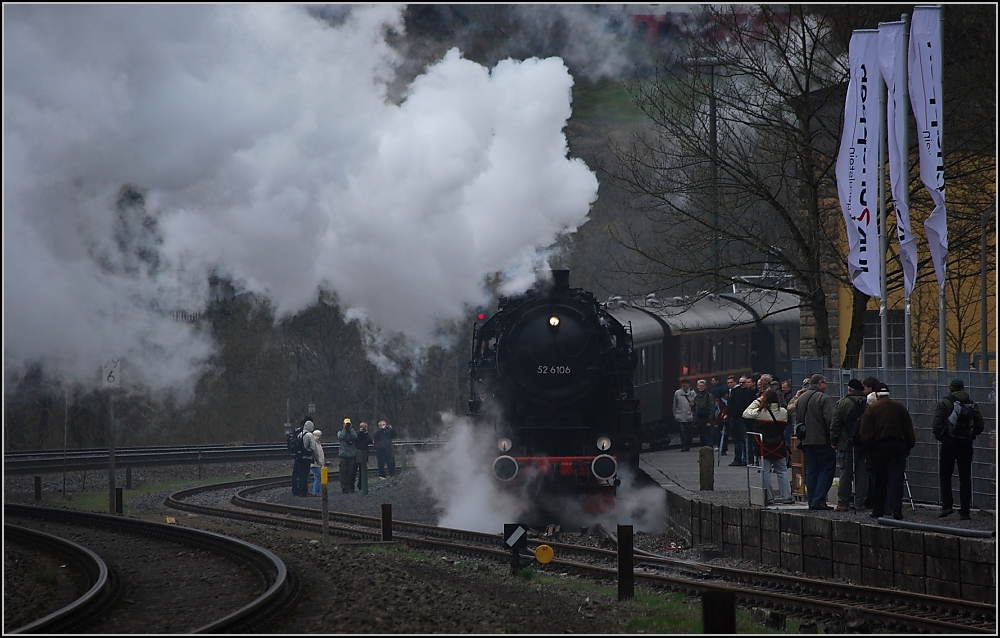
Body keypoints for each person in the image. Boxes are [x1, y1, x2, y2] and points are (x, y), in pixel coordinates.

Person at [931, 378, 985, 520]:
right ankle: (965, 511)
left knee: (945, 475)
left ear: (950, 388)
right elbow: (980, 425)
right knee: (965, 477)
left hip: (948, 444)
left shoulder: (944, 403)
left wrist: (943, 437)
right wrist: (971, 436)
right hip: (966, 445)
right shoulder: (972, 404)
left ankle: (947, 505)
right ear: (963, 387)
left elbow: (936, 424)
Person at [860, 383, 915, 520]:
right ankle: (897, 510)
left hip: (879, 447)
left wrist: (869, 447)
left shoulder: (872, 409)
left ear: (877, 394)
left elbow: (865, 432)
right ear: (889, 393)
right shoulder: (899, 407)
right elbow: (908, 429)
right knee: (896, 479)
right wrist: (908, 446)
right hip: (898, 446)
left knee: (880, 479)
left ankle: (878, 510)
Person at [744, 389, 793, 505]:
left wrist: (758, 400)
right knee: (782, 471)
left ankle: (769, 498)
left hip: (763, 446)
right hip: (778, 446)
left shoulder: (760, 412)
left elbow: (746, 413)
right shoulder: (783, 412)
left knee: (764, 472)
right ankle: (787, 497)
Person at [796, 374, 836, 510]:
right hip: (821, 439)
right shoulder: (823, 398)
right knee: (827, 468)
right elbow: (830, 419)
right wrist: (833, 437)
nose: (825, 386)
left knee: (811, 470)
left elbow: (798, 418)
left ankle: (812, 499)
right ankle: (819, 499)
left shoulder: (801, 399)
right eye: (824, 383)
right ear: (820, 383)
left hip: (806, 440)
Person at [830, 379, 869, 511]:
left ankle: (843, 503)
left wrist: (834, 441)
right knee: (862, 473)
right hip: (864, 444)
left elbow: (835, 424)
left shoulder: (843, 403)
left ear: (849, 389)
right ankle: (860, 503)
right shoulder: (868, 403)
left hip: (845, 444)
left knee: (845, 474)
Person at [726, 375, 754, 467]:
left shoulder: (737, 392)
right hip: (736, 418)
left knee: (741, 439)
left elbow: (737, 405)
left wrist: (732, 414)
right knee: (740, 439)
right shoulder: (736, 391)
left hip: (738, 418)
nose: (729, 384)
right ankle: (742, 458)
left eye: (731, 382)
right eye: (728, 383)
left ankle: (742, 458)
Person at [291, 417, 316, 497]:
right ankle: (304, 490)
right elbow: (313, 448)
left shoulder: (299, 433)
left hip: (299, 456)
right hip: (307, 458)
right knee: (305, 474)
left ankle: (297, 489)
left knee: (299, 474)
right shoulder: (310, 435)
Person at [691, 379, 716, 448]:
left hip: (706, 421)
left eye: (702, 386)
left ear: (705, 387)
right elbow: (695, 410)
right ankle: (704, 457)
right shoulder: (697, 396)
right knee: (702, 440)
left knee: (708, 440)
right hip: (699, 421)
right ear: (697, 387)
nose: (701, 387)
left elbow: (712, 409)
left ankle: (709, 456)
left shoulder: (709, 396)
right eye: (699, 386)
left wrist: (709, 421)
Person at [673, 380, 695, 451]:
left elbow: (696, 404)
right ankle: (684, 445)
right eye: (683, 383)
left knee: (689, 432)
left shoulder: (693, 393)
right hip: (680, 415)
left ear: (689, 384)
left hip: (689, 415)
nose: (684, 385)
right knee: (683, 432)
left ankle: (688, 444)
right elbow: (674, 405)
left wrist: (693, 405)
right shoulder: (677, 393)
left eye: (685, 384)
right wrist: (675, 414)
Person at [337, 418, 358, 494]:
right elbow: (341, 437)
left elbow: (355, 436)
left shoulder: (352, 432)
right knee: (343, 473)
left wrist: (350, 429)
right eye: (346, 424)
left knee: (350, 473)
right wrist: (344, 429)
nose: (347, 425)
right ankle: (344, 488)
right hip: (343, 455)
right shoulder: (340, 432)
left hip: (351, 456)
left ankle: (350, 487)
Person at [354, 422, 373, 490]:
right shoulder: (357, 433)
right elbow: (355, 438)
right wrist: (361, 432)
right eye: (362, 427)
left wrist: (366, 433)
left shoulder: (366, 435)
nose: (364, 428)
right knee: (354, 470)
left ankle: (361, 485)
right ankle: (352, 486)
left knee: (363, 471)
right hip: (357, 453)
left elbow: (370, 441)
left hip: (364, 453)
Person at [310, 430, 326, 496]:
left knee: (318, 477)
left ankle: (316, 491)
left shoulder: (318, 443)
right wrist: (318, 461)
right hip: (315, 464)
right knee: (318, 476)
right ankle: (315, 492)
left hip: (318, 463)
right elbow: (316, 454)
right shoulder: (315, 444)